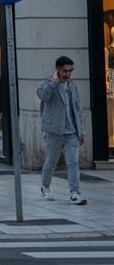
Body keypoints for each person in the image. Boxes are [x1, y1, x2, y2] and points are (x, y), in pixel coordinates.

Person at [38, 56, 86, 205]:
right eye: (65, 71)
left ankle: (74, 193)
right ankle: (45, 187)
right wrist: (53, 83)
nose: (68, 74)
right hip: (54, 130)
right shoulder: (47, 83)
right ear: (57, 69)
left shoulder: (72, 86)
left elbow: (77, 108)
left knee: (73, 162)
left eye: (70, 71)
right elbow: (43, 97)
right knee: (51, 162)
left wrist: (81, 130)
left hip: (71, 131)